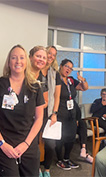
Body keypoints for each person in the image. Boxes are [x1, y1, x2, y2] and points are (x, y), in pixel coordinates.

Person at [0, 45, 46, 176]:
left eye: (22, 58)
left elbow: (39, 118)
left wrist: (26, 144)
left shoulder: (35, 87)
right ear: (9, 62)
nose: (18, 61)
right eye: (14, 58)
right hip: (4, 143)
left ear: (26, 62)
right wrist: (2, 144)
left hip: (28, 144)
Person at [53, 59, 89, 170]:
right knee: (60, 138)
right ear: (61, 66)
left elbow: (84, 88)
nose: (68, 69)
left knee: (71, 137)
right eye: (66, 66)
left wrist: (83, 80)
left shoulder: (71, 80)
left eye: (70, 68)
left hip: (72, 113)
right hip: (60, 112)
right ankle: (60, 160)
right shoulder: (55, 78)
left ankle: (67, 158)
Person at [33, 46, 59, 176]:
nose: (50, 56)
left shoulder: (54, 73)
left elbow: (56, 96)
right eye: (49, 53)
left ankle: (47, 170)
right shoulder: (34, 71)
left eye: (53, 55)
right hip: (33, 113)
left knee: (50, 144)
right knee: (34, 144)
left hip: (48, 113)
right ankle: (36, 169)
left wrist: (54, 113)